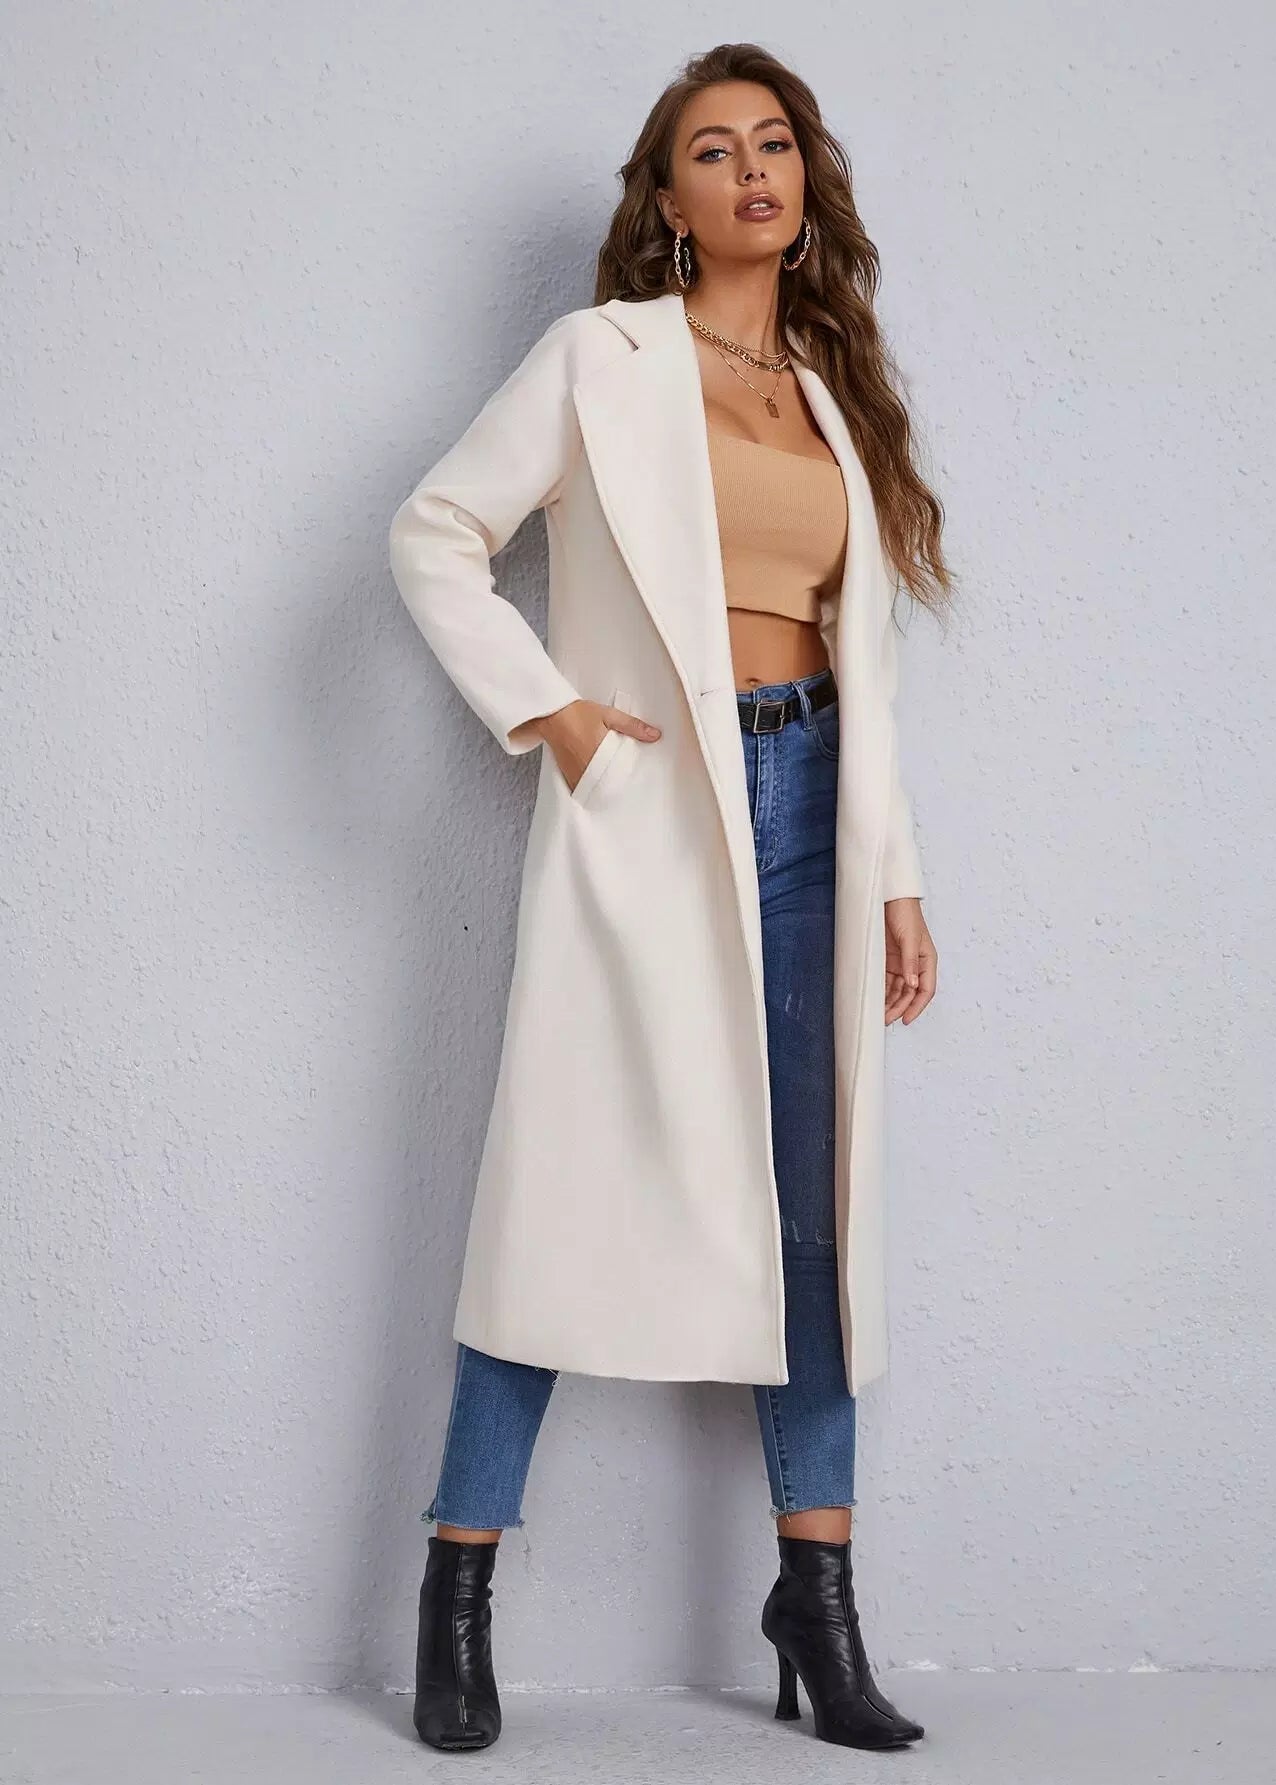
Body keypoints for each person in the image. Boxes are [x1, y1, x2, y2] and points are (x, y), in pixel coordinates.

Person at [388, 41, 953, 1755]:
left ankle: (818, 1605)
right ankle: (456, 1586)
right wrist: (553, 715)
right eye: (714, 150)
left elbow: (866, 663)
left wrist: (899, 874)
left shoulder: (834, 395)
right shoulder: (603, 358)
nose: (753, 171)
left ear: (808, 183)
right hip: (654, 821)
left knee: (816, 1213)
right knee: (554, 1194)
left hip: (817, 806)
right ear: (669, 199)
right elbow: (434, 531)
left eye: (776, 144)